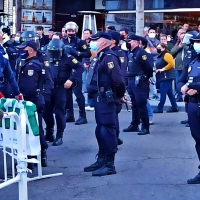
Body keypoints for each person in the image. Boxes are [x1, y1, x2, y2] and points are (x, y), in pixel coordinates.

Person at [84, 32, 125, 176]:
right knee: (100, 129)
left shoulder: (109, 57)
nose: (92, 42)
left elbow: (119, 81)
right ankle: (101, 159)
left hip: (107, 98)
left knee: (107, 129)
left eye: (96, 40)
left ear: (104, 42)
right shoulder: (100, 56)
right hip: (99, 98)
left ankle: (109, 164)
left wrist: (119, 96)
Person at [45, 39, 84, 146]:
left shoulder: (68, 58)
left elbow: (80, 67)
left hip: (61, 88)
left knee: (59, 112)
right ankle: (49, 133)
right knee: (46, 112)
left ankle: (59, 136)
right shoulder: (46, 56)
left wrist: (71, 79)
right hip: (49, 87)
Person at [16, 40, 48, 167]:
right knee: (36, 127)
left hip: (31, 102)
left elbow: (29, 88)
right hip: (35, 101)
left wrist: (20, 98)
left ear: (30, 50)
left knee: (31, 129)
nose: (21, 51)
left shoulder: (32, 66)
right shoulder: (31, 63)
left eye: (23, 49)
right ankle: (38, 155)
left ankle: (33, 157)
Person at [178, 34, 200, 184]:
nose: (197, 44)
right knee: (198, 138)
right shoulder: (193, 61)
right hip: (192, 104)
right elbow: (181, 80)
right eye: (196, 42)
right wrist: (184, 88)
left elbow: (191, 84)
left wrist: (193, 87)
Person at [122, 34, 153, 135]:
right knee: (134, 104)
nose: (127, 43)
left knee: (141, 103)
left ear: (136, 42)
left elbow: (148, 67)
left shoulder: (141, 53)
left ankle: (145, 127)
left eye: (129, 41)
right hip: (131, 80)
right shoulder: (130, 53)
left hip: (139, 81)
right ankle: (134, 124)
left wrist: (147, 77)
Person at [63, 21, 91, 125]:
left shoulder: (80, 42)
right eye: (69, 30)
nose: (70, 32)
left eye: (72, 30)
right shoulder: (63, 41)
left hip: (76, 68)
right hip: (66, 69)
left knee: (78, 93)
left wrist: (77, 53)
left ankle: (82, 116)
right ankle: (69, 115)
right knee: (67, 94)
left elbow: (87, 53)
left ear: (75, 31)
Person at [108, 30, 128, 145]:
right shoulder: (109, 52)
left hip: (116, 87)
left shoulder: (119, 53)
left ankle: (115, 136)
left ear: (113, 41)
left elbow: (121, 73)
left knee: (113, 113)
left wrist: (121, 91)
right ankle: (115, 136)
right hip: (111, 87)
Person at [153, 43, 178, 113]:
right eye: (157, 47)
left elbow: (171, 63)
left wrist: (163, 69)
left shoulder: (167, 54)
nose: (158, 49)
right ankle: (174, 107)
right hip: (165, 76)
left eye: (159, 47)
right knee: (170, 92)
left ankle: (160, 108)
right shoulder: (161, 55)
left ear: (164, 48)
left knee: (163, 92)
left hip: (166, 76)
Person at [171, 30, 186, 102]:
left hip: (186, 67)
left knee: (187, 82)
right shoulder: (177, 43)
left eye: (183, 34)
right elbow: (172, 52)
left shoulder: (189, 44)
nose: (182, 36)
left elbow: (191, 51)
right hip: (178, 66)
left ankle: (187, 96)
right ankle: (179, 96)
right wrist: (179, 46)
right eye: (180, 34)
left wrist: (185, 44)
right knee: (178, 82)